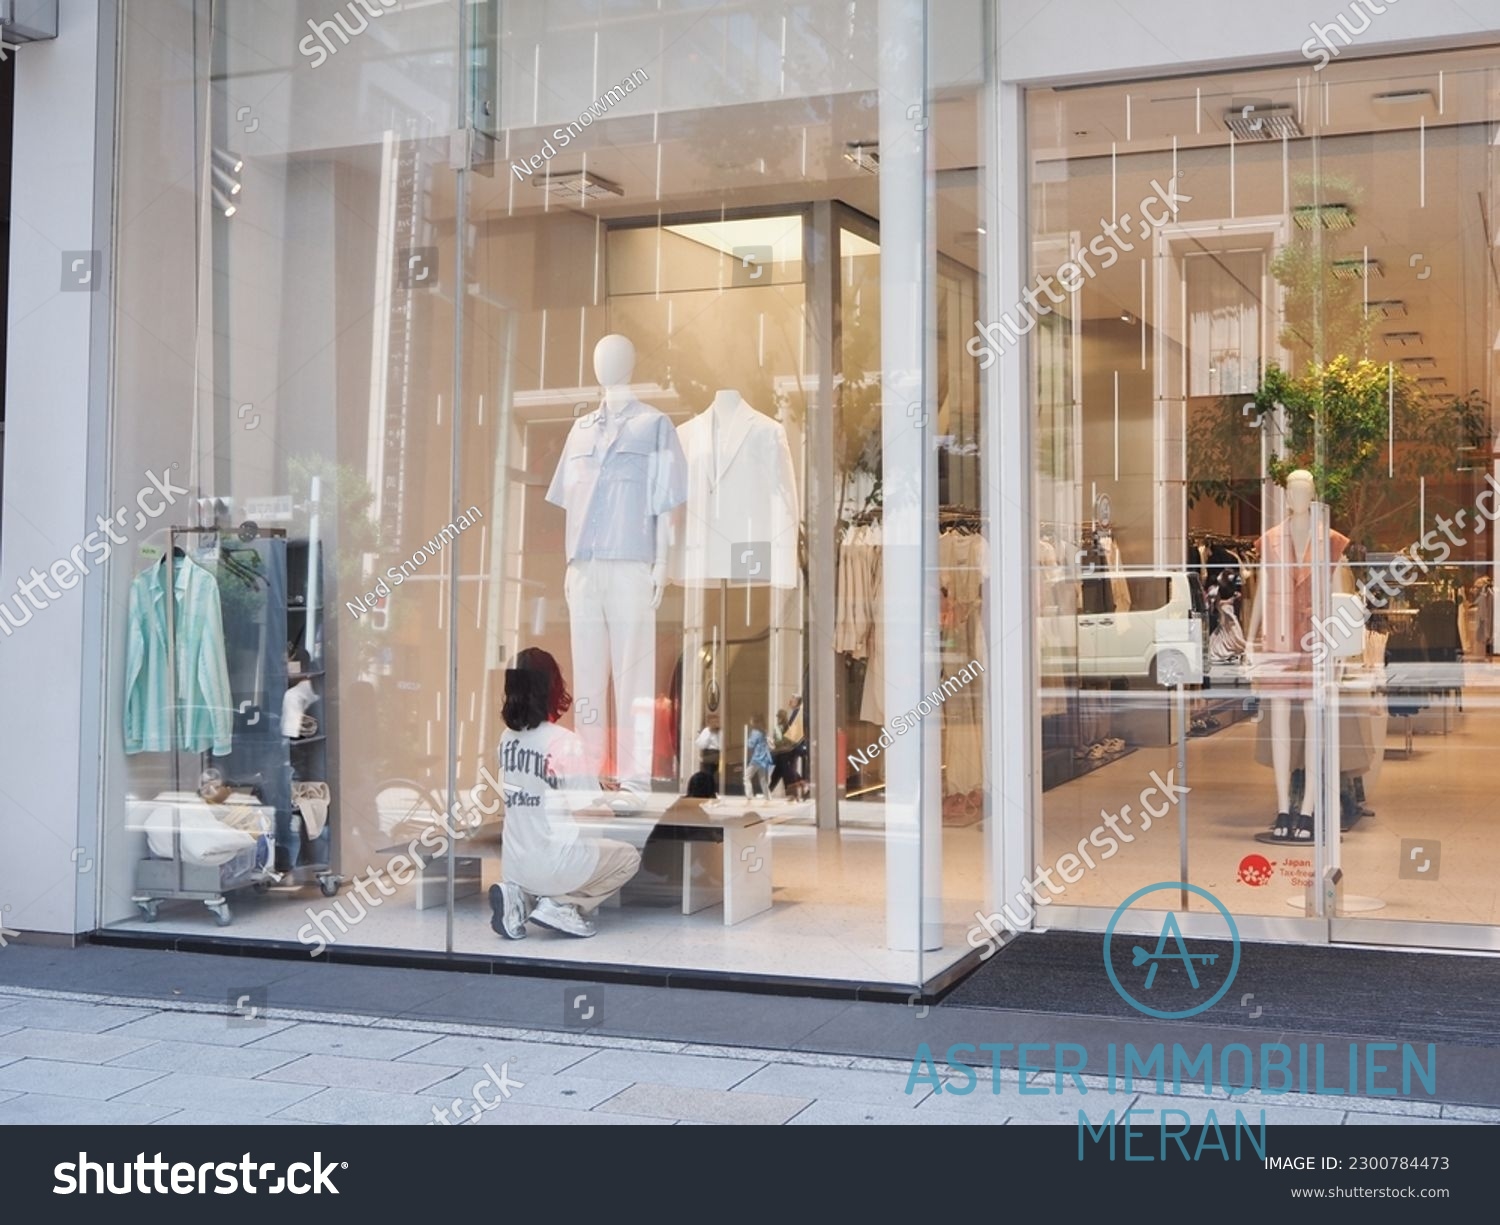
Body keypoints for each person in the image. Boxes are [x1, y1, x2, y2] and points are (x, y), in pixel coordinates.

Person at [489, 648, 641, 940]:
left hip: (514, 864)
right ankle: (562, 905)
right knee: (628, 857)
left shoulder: (506, 741)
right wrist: (614, 805)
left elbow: (539, 786)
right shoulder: (565, 742)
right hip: (555, 864)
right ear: (552, 686)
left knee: (556, 861)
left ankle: (519, 900)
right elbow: (588, 813)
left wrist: (588, 782)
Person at [745, 714, 775, 800]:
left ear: (754, 722)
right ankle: (768, 797)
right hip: (765, 758)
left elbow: (751, 744)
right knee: (763, 780)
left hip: (757, 758)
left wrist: (748, 739)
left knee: (746, 777)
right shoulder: (764, 731)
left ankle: (749, 796)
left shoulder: (755, 732)